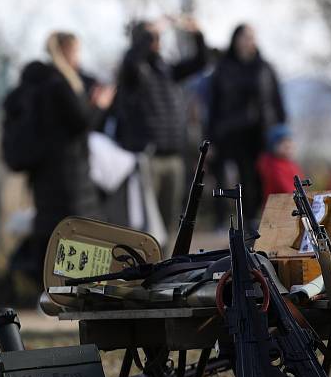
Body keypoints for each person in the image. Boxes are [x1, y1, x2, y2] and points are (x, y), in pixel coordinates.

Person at [8, 31, 113, 283]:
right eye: (76, 51)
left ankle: (53, 285)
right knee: (79, 229)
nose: (79, 58)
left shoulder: (38, 84)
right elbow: (80, 123)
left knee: (53, 228)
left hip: (46, 174)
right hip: (70, 175)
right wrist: (100, 105)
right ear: (66, 51)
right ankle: (75, 286)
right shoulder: (58, 84)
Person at [114, 16, 207, 239]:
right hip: (148, 157)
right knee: (146, 225)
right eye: (153, 37)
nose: (158, 40)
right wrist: (151, 30)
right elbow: (132, 58)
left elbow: (200, 62)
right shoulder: (133, 69)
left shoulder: (164, 69)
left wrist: (197, 35)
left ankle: (166, 269)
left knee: (169, 223)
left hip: (173, 156)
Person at [207, 24, 286, 228]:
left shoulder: (265, 67)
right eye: (245, 37)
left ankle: (257, 219)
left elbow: (276, 101)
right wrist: (210, 138)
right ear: (235, 40)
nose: (249, 41)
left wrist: (283, 133)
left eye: (252, 36)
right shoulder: (223, 68)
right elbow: (213, 105)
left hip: (261, 133)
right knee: (236, 179)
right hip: (231, 133)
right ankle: (230, 221)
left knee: (261, 178)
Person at [256, 124, 303, 201]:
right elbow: (283, 187)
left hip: (294, 201)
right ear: (273, 146)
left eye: (290, 142)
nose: (288, 145)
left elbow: (300, 182)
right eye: (283, 143)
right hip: (279, 203)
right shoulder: (272, 165)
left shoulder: (292, 164)